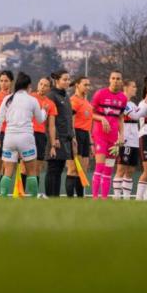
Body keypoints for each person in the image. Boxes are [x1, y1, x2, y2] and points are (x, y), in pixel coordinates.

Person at [0, 72, 46, 197]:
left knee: (7, 172)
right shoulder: (32, 100)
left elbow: (0, 120)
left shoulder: (7, 99)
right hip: (26, 138)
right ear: (28, 86)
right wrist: (44, 111)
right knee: (31, 171)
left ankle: (3, 197)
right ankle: (33, 198)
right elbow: (40, 120)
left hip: (9, 138)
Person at [90, 70, 127, 200]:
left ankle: (104, 199)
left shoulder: (123, 98)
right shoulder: (100, 94)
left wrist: (121, 135)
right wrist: (102, 118)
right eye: (113, 78)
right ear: (109, 80)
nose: (115, 81)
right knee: (99, 166)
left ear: (121, 81)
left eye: (118, 78)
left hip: (113, 138)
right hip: (100, 135)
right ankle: (95, 198)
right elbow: (91, 113)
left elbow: (121, 118)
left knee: (109, 169)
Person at [114, 79, 147, 200]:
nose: (135, 88)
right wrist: (146, 102)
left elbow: (143, 114)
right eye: (133, 86)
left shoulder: (133, 104)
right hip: (124, 139)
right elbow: (135, 115)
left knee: (130, 170)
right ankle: (116, 197)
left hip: (134, 140)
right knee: (121, 168)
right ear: (126, 88)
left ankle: (126, 198)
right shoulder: (122, 101)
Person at [46, 69, 75, 197]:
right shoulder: (51, 96)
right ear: (57, 81)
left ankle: (55, 198)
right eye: (65, 79)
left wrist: (72, 136)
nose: (67, 82)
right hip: (56, 139)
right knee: (53, 169)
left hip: (66, 139)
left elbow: (68, 118)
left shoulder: (66, 96)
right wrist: (55, 138)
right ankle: (51, 196)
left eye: (69, 79)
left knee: (59, 170)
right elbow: (50, 120)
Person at [30, 77, 57, 195]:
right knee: (24, 166)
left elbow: (51, 126)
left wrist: (53, 145)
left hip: (40, 136)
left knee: (37, 167)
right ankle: (20, 193)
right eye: (41, 84)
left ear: (49, 88)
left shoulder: (50, 104)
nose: (42, 87)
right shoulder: (29, 97)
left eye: (45, 85)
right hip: (27, 134)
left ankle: (33, 194)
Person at [68, 76, 92, 197]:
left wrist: (91, 143)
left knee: (83, 170)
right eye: (85, 85)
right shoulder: (74, 100)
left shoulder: (87, 102)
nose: (88, 87)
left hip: (85, 136)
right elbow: (70, 122)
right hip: (76, 134)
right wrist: (73, 138)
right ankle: (70, 199)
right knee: (73, 169)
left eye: (89, 85)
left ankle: (80, 199)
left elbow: (88, 125)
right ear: (77, 85)